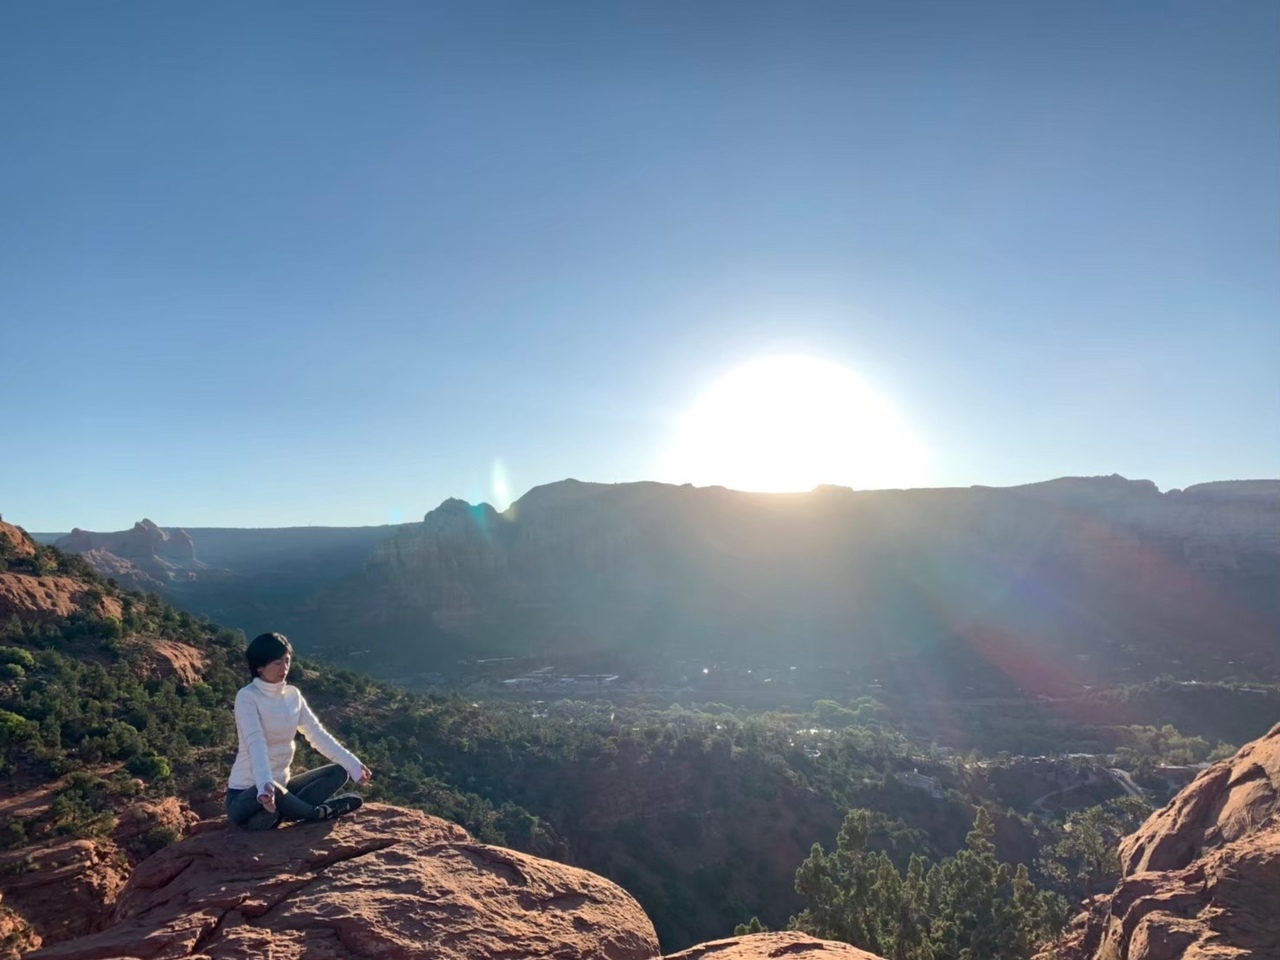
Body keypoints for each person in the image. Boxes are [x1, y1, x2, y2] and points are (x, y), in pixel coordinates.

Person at [226, 632, 371, 830]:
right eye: (277, 663)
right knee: (274, 790)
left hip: (283, 789)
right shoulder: (248, 697)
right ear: (259, 666)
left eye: (287, 661)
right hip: (246, 797)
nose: (284, 668)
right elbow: (255, 743)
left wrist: (354, 765)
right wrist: (264, 786)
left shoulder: (293, 695)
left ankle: (277, 815)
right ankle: (317, 812)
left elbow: (316, 734)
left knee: (339, 772)